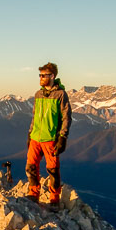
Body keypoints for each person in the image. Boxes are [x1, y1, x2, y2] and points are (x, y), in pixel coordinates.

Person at [26, 62, 72, 206]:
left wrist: (63, 137)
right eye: (39, 75)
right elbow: (34, 116)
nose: (40, 78)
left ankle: (54, 199)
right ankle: (33, 194)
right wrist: (30, 133)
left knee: (53, 170)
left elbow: (66, 117)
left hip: (50, 138)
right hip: (35, 137)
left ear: (52, 76)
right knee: (30, 166)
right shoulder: (38, 94)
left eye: (43, 75)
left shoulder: (61, 95)